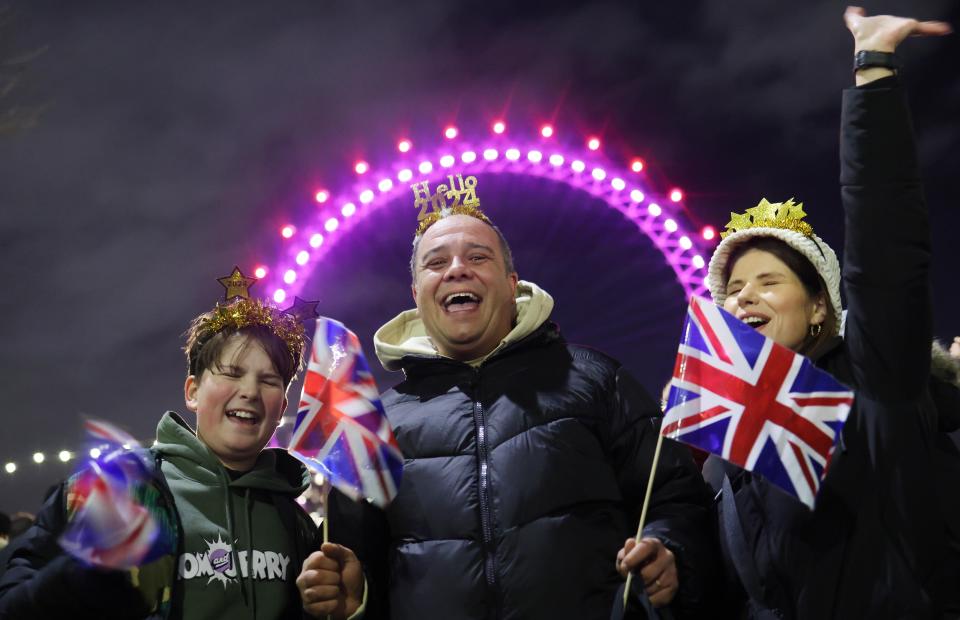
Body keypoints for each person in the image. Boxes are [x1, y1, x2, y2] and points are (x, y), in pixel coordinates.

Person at [618, 8, 959, 618]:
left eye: (769, 281)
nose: (743, 297)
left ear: (822, 304)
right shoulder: (725, 448)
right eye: (734, 289)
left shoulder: (879, 393)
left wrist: (874, 73)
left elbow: (887, 263)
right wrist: (674, 579)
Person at [297, 190, 717, 619]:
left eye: (477, 257)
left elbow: (676, 500)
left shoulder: (598, 380)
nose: (457, 269)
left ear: (512, 284)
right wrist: (355, 598)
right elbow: (358, 565)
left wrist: (670, 551)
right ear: (416, 294)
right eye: (436, 263)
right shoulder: (375, 424)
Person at [0, 270, 335, 619]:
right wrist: (74, 582)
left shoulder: (297, 525)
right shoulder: (108, 491)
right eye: (232, 373)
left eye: (268, 381)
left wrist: (347, 605)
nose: (250, 392)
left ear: (281, 408)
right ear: (192, 392)